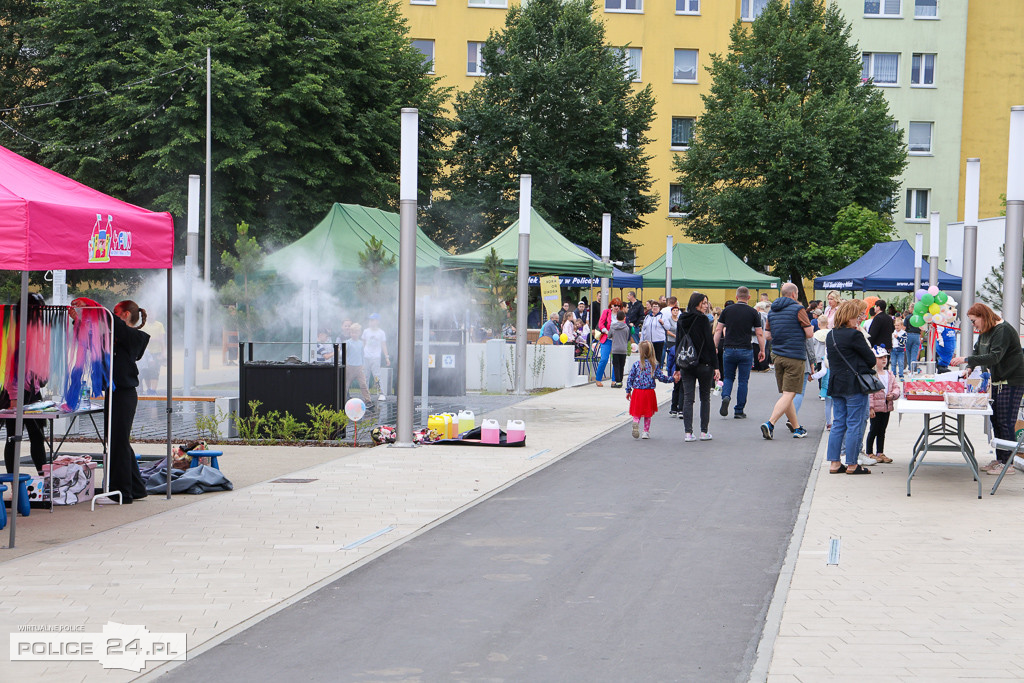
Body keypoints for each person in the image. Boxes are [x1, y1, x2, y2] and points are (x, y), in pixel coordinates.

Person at [951, 303, 1024, 475]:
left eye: (973, 321)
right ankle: (1000, 459)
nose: (973, 325)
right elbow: (978, 352)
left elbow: (994, 356)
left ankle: (1008, 464)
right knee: (996, 420)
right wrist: (969, 367)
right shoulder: (986, 331)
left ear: (983, 316)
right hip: (998, 382)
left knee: (1006, 421)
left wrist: (964, 358)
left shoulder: (1002, 330)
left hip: (1012, 381)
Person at [825, 299, 877, 475]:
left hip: (836, 383)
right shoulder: (854, 335)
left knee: (838, 423)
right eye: (856, 317)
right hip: (854, 385)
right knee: (854, 423)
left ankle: (834, 462)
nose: (858, 320)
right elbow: (871, 360)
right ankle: (853, 464)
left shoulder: (830, 335)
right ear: (849, 318)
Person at [108, 300, 151, 503]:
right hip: (114, 392)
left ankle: (122, 491)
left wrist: (93, 307)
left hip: (125, 394)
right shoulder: (118, 335)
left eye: (116, 313)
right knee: (118, 440)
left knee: (119, 442)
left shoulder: (134, 336)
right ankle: (137, 487)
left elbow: (113, 324)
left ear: (125, 315)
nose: (112, 316)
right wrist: (79, 319)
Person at [760, 283, 813, 440]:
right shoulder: (798, 309)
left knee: (786, 393)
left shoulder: (773, 311)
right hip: (795, 355)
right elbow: (809, 333)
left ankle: (797, 428)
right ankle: (770, 423)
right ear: (794, 294)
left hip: (777, 355)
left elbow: (767, 335)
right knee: (790, 393)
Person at [3, 293, 48, 476]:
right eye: (39, 310)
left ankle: (43, 478)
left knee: (37, 436)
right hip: (14, 392)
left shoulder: (34, 329)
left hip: (32, 390)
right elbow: (10, 369)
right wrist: (14, 398)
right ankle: (14, 481)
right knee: (14, 437)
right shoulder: (16, 331)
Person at [675, 292, 721, 442]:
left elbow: (678, 343)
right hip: (704, 364)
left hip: (686, 363)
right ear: (697, 304)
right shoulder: (703, 320)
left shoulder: (682, 319)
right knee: (705, 398)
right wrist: (716, 366)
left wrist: (676, 366)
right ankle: (704, 432)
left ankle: (688, 433)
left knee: (688, 398)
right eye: (704, 303)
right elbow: (709, 343)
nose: (706, 305)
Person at [714, 286, 765, 419]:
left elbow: (718, 330)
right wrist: (762, 350)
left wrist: (715, 346)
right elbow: (759, 333)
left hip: (729, 348)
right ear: (748, 297)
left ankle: (725, 397)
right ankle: (739, 410)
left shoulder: (727, 310)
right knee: (743, 381)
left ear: (736, 297)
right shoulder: (753, 312)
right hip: (745, 349)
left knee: (729, 377)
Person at [625, 340, 671, 439]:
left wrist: (628, 390)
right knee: (648, 413)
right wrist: (672, 379)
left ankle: (635, 422)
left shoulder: (637, 365)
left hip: (637, 391)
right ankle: (645, 432)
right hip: (649, 392)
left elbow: (630, 378)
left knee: (637, 411)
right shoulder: (653, 365)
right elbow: (661, 377)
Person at [864, 346, 900, 465]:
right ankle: (869, 452)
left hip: (887, 407)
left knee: (882, 430)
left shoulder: (889, 374)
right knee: (873, 429)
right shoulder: (872, 375)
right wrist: (871, 407)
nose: (884, 360)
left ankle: (880, 452)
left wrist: (893, 395)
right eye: (880, 358)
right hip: (876, 408)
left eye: (885, 357)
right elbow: (870, 393)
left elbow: (896, 387)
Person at [362, 314, 390, 400]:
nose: (371, 322)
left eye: (373, 320)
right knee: (365, 376)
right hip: (366, 356)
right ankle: (366, 393)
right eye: (370, 320)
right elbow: (363, 344)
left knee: (377, 375)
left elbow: (383, 345)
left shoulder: (381, 333)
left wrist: (387, 357)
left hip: (376, 357)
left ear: (377, 321)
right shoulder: (366, 331)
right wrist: (361, 356)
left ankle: (381, 393)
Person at [594, 298, 621, 387]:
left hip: (616, 340)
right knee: (604, 359)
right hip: (606, 338)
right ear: (611, 305)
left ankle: (614, 380)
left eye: (618, 306)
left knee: (616, 360)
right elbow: (601, 323)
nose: (616, 307)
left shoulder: (620, 314)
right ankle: (598, 379)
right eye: (615, 305)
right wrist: (606, 331)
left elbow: (623, 324)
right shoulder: (606, 312)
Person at [346, 323, 372, 405]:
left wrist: (363, 364)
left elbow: (362, 354)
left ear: (359, 333)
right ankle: (343, 399)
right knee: (346, 384)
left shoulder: (361, 343)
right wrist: (346, 364)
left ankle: (368, 400)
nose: (354, 334)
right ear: (350, 333)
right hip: (349, 367)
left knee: (363, 384)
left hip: (359, 367)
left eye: (356, 332)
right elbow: (345, 354)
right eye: (352, 332)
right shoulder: (347, 343)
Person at [934, 309, 958, 373]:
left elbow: (954, 331)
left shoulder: (952, 324)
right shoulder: (942, 323)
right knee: (942, 356)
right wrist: (940, 340)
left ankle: (944, 366)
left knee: (948, 356)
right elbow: (938, 333)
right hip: (943, 345)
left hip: (950, 345)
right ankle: (941, 367)